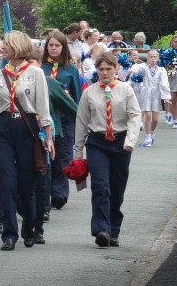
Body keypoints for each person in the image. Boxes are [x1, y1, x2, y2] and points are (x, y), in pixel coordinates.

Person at [0, 30, 54, 251]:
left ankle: (30, 226)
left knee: (26, 185)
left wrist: (49, 138)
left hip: (27, 129)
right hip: (4, 128)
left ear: (18, 47)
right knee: (5, 182)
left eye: (7, 44)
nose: (3, 48)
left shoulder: (35, 73)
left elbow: (43, 108)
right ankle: (9, 234)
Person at [75, 51, 140, 248]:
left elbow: (135, 116)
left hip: (121, 143)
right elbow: (81, 122)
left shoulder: (126, 90)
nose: (105, 73)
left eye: (109, 69)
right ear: (96, 70)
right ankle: (102, 228)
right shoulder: (89, 93)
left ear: (116, 69)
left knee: (117, 189)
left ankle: (113, 229)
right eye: (101, 69)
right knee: (101, 186)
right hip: (98, 143)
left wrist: (130, 141)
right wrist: (78, 153)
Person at [41, 30, 81, 210]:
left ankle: (59, 192)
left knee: (63, 155)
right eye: (51, 45)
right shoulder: (41, 68)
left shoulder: (70, 69)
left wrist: (79, 120)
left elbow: (76, 96)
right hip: (45, 118)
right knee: (48, 155)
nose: (54, 48)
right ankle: (46, 191)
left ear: (63, 47)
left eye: (57, 45)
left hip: (65, 120)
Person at [130, 50, 171, 147]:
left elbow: (164, 83)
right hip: (146, 92)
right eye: (151, 57)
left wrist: (166, 97)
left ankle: (152, 132)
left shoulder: (161, 70)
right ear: (147, 58)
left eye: (155, 57)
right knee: (147, 113)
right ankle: (147, 137)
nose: (153, 59)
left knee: (155, 119)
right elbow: (137, 69)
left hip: (156, 93)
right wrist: (132, 70)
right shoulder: (144, 68)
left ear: (158, 58)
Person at [164, 35, 177, 128]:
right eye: (175, 42)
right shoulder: (168, 52)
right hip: (172, 74)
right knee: (173, 98)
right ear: (172, 43)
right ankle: (175, 119)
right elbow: (163, 63)